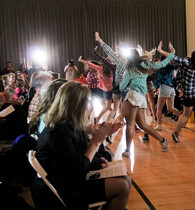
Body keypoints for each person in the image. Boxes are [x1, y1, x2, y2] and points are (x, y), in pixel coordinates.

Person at [31, 81, 131, 209]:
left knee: (126, 178)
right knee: (121, 186)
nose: (90, 107)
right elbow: (77, 170)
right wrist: (96, 142)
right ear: (76, 105)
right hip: (61, 189)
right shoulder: (58, 132)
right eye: (88, 102)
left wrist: (97, 155)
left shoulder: (69, 124)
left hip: (68, 179)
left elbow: (81, 153)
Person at [95, 32, 173, 157]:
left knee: (130, 124)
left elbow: (121, 86)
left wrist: (124, 82)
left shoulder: (129, 69)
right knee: (143, 125)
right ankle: (163, 141)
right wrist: (172, 54)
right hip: (141, 98)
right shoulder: (145, 65)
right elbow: (162, 64)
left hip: (132, 96)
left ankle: (127, 150)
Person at [159, 47, 195, 143]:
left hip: (188, 93)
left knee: (185, 114)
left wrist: (161, 51)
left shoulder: (186, 62)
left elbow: (173, 57)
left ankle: (176, 133)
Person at [78, 55, 113, 124]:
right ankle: (109, 114)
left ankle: (91, 117)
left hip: (96, 90)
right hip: (101, 90)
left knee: (101, 105)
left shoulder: (98, 70)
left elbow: (90, 64)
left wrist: (81, 60)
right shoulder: (110, 70)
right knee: (105, 105)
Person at [153, 56, 181, 131]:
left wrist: (155, 88)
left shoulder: (159, 69)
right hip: (172, 88)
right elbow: (179, 64)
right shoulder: (171, 67)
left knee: (159, 108)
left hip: (164, 87)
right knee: (170, 107)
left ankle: (159, 125)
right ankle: (182, 118)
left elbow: (156, 81)